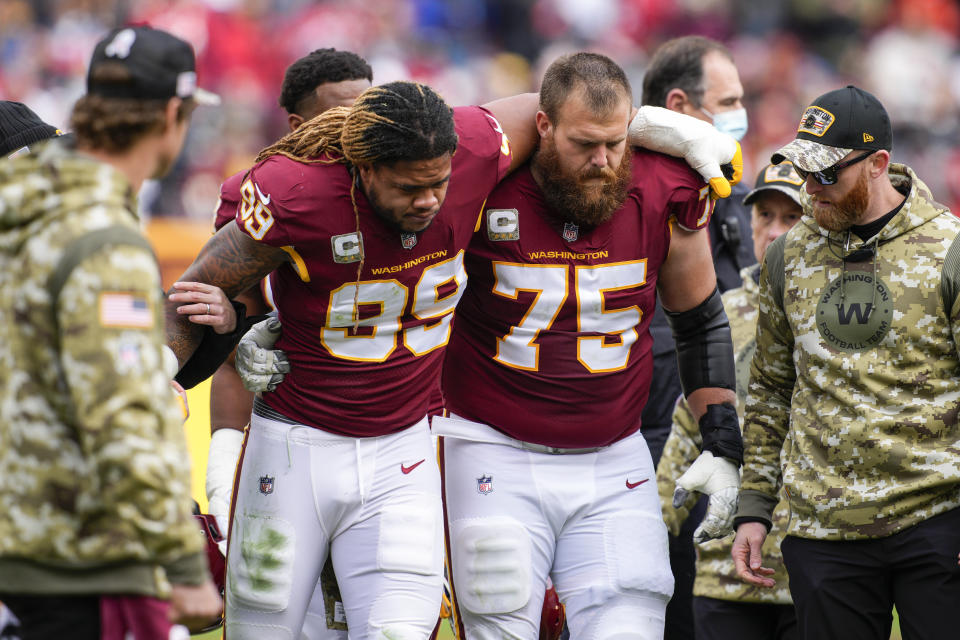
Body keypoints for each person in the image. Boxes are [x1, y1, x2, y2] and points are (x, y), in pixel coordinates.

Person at [431, 52, 741, 639]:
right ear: (543, 127)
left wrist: (720, 438)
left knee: (632, 621)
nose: (601, 162)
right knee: (499, 618)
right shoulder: (488, 183)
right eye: (582, 144)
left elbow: (698, 318)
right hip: (493, 444)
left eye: (614, 142)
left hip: (614, 455)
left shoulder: (663, 183)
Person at [0, 25, 222, 638]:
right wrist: (181, 563)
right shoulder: (100, 236)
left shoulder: (33, 221)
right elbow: (120, 418)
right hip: (67, 560)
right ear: (173, 113)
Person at [732, 85, 960, 639]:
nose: (811, 189)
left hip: (935, 519)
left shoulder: (950, 248)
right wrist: (754, 506)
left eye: (827, 174)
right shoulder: (789, 254)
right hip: (822, 531)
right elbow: (769, 388)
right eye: (804, 172)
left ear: (879, 164)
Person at [639, 34, 756, 640]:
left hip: (722, 446)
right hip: (653, 450)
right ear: (681, 107)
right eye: (729, 100)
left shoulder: (736, 200)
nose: (741, 114)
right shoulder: (630, 199)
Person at [657, 162, 804, 640]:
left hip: (818, 570)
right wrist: (654, 529)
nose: (774, 232)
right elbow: (686, 428)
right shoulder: (719, 316)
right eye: (765, 216)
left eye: (791, 218)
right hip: (726, 577)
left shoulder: (844, 313)